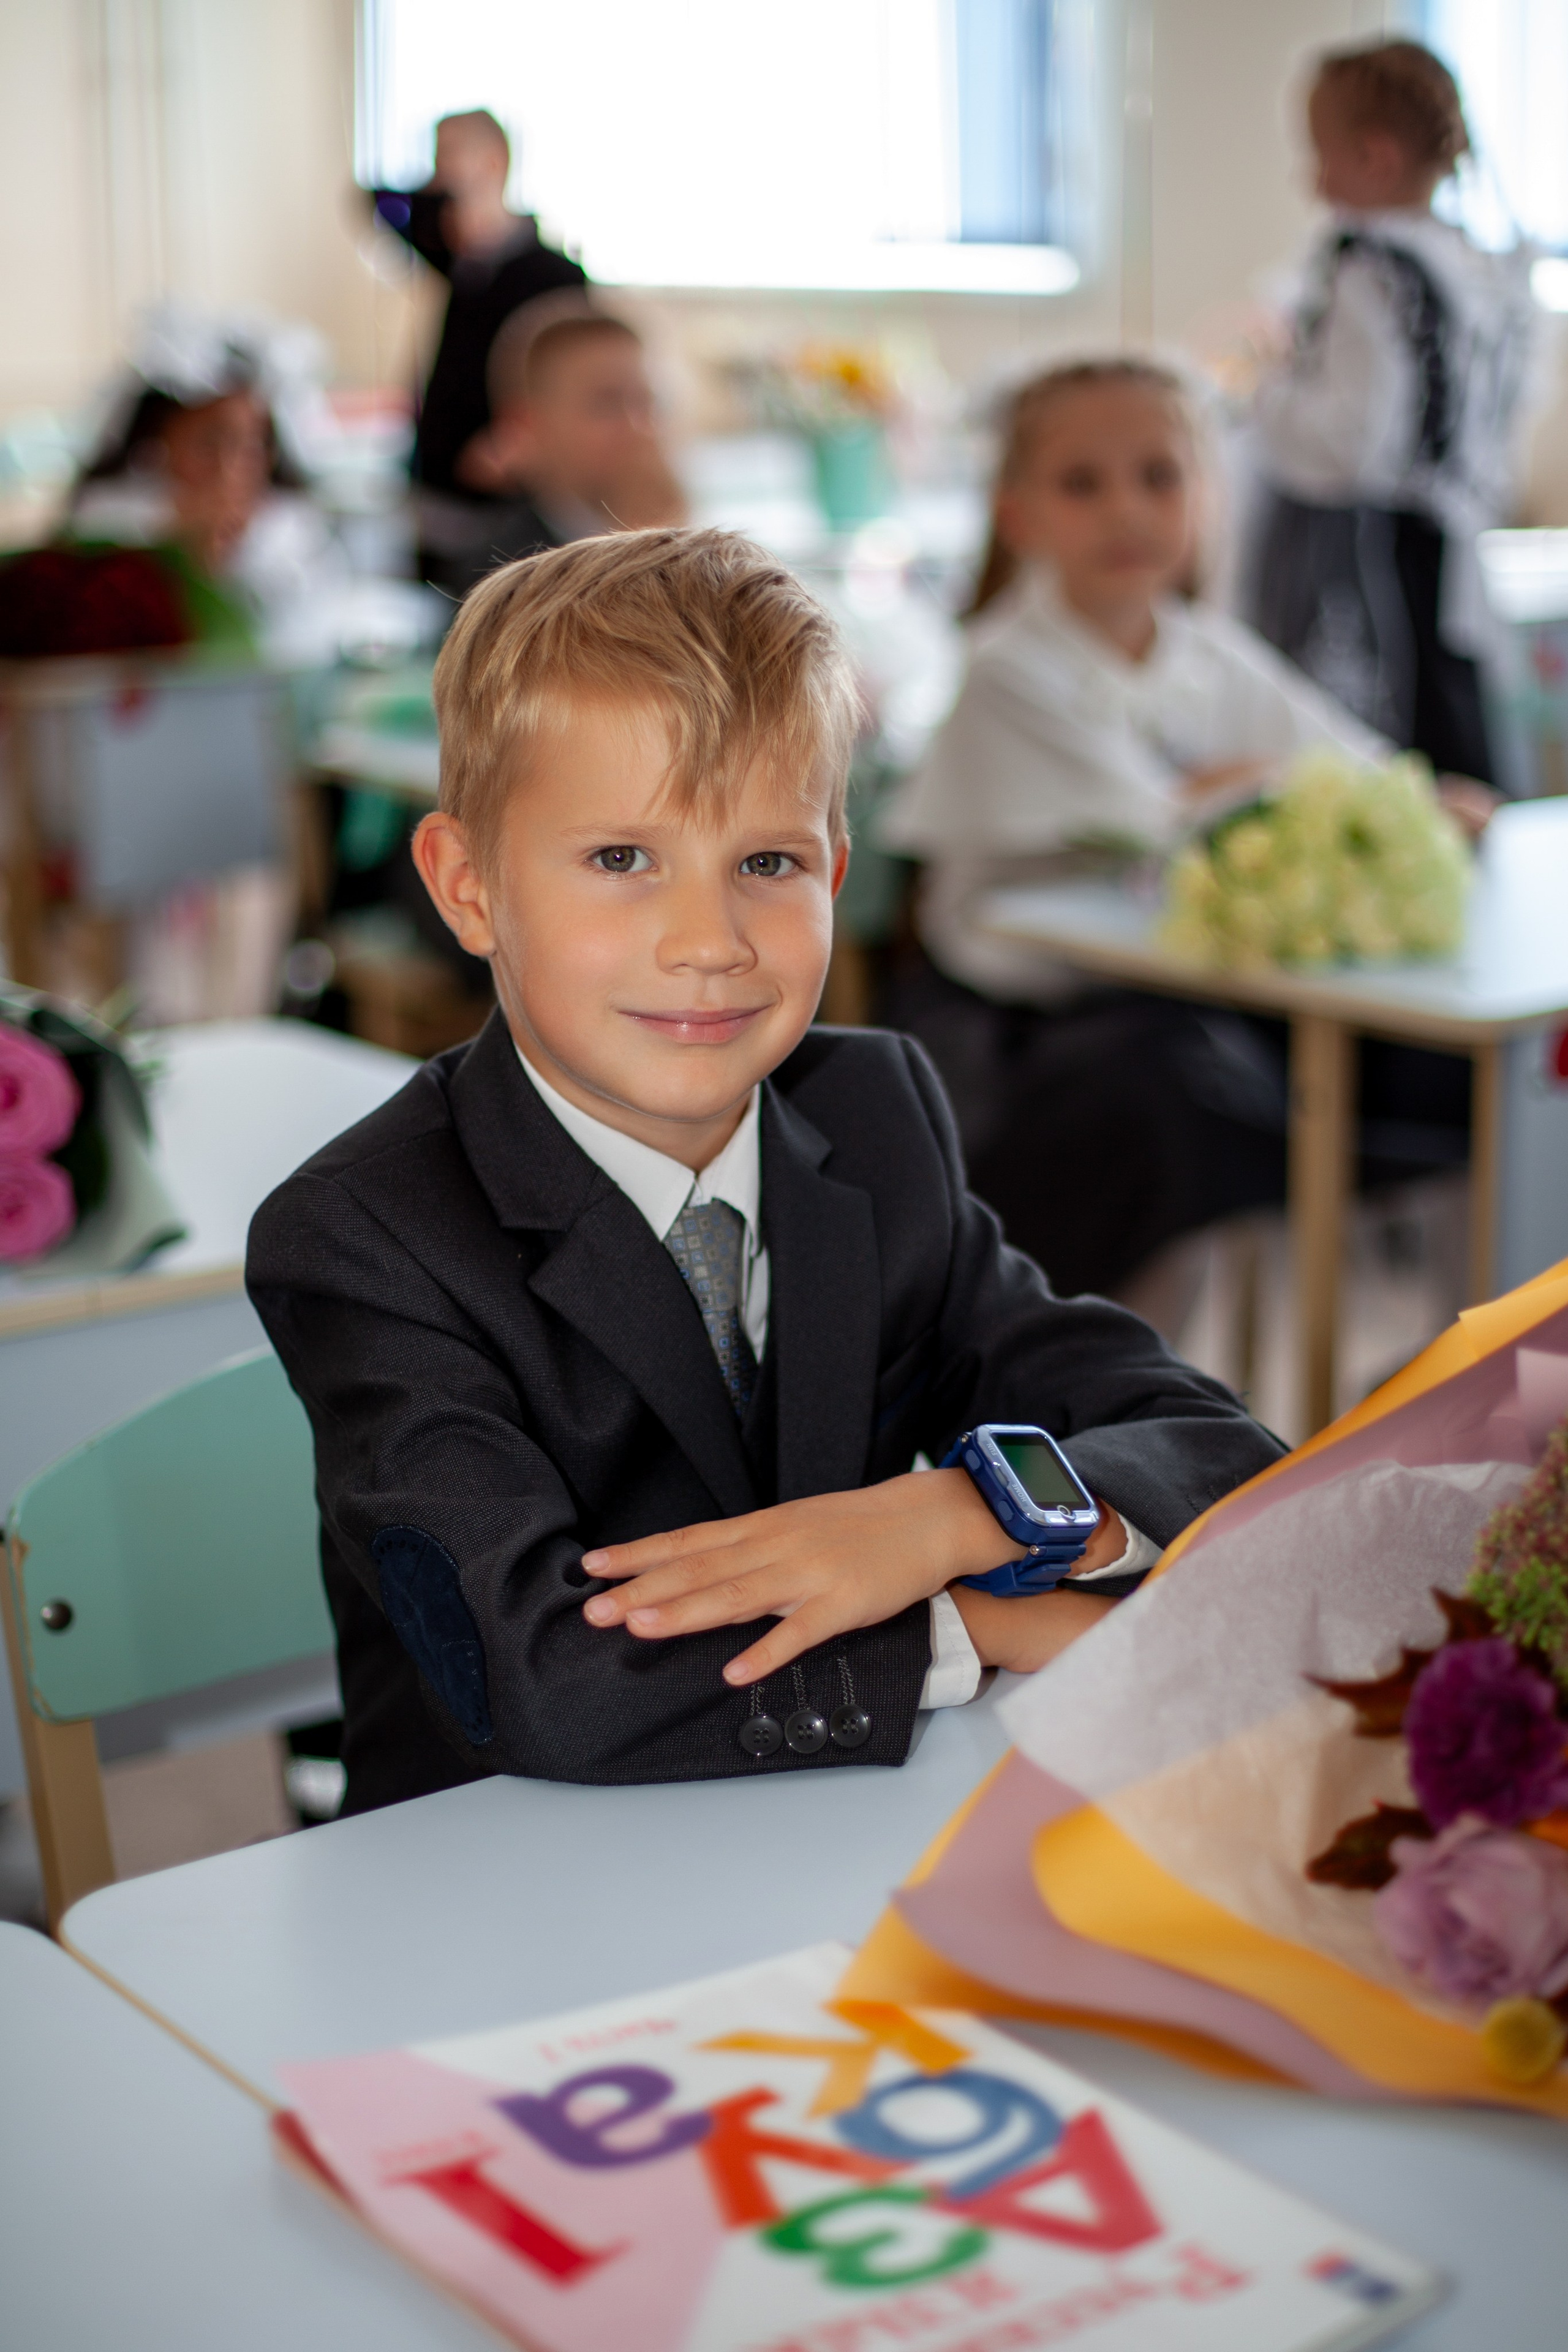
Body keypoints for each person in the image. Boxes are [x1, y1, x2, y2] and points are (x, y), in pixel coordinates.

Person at [245, 527, 1282, 1812]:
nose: (708, 942)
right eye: (622, 860)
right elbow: (545, 1680)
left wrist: (951, 1519)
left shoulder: (871, 1116)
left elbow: (1212, 1445)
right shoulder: (367, 1234)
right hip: (503, 1883)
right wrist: (978, 1624)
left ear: (836, 873)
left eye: (767, 863)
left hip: (829, 1835)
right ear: (468, 888)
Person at [878, 358, 1396, 1316]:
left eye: (1159, 476)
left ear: (1204, 496)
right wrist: (1232, 791)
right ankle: (1094, 1395)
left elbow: (1357, 774)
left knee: (1331, 1090)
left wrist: (1245, 786)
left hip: (1161, 1018)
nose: (1126, 510)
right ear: (1019, 514)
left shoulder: (1211, 653)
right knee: (1173, 1111)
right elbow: (1154, 825)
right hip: (1011, 1043)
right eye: (1083, 483)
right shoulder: (1006, 670)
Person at [1248, 38, 1535, 783]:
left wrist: (1270, 394)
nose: (1308, 180)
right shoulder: (1476, 264)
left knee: (1361, 742)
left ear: (1373, 156)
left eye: (1319, 155)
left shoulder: (1366, 266)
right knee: (1446, 717)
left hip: (1360, 553)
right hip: (1445, 538)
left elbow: (1351, 443)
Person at [369, 110, 587, 594]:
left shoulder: (553, 273)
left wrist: (520, 440)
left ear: (493, 163)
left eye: (449, 155)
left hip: (503, 497)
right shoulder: (454, 256)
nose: (438, 170)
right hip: (438, 477)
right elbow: (373, 201)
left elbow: (576, 378)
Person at [435, 304, 687, 595]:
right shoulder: (502, 578)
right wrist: (643, 556)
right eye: (606, 403)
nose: (639, 427)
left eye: (647, 402)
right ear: (527, 426)